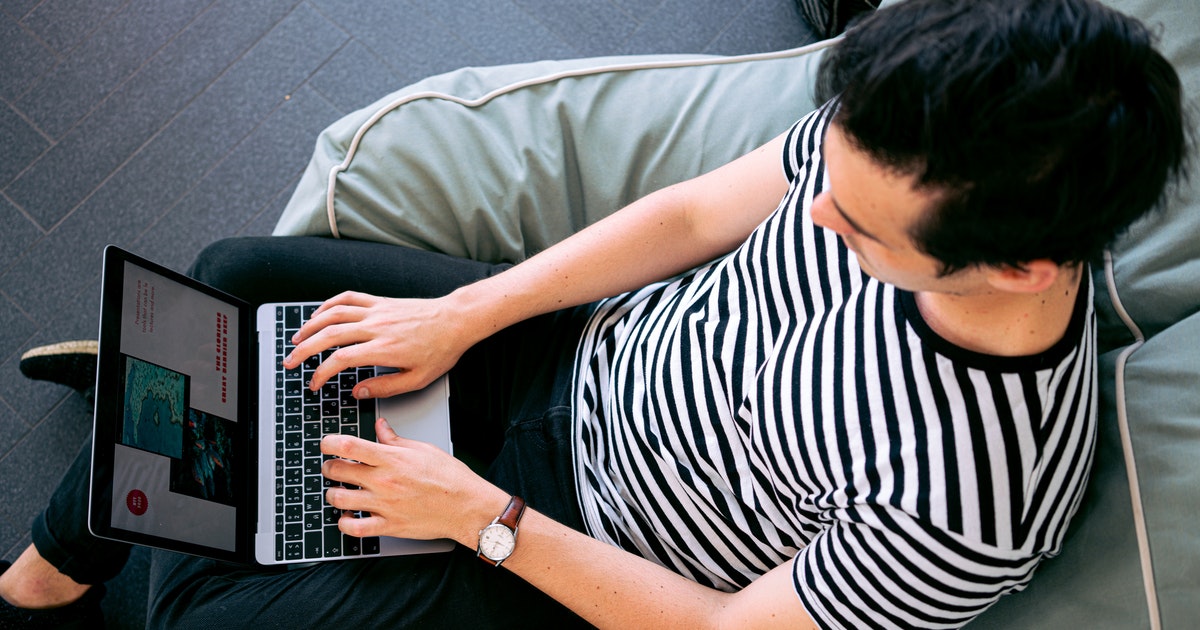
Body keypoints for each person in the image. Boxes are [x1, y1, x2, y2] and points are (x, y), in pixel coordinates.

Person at [0, 0, 1187, 627]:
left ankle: (151, 460)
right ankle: (65, 554)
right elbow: (683, 220)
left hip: (574, 549)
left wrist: (479, 517)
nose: (814, 214)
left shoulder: (969, 507)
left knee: (213, 611)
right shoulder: (906, 137)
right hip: (574, 360)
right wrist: (469, 311)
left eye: (861, 232)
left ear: (1025, 266)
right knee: (240, 277)